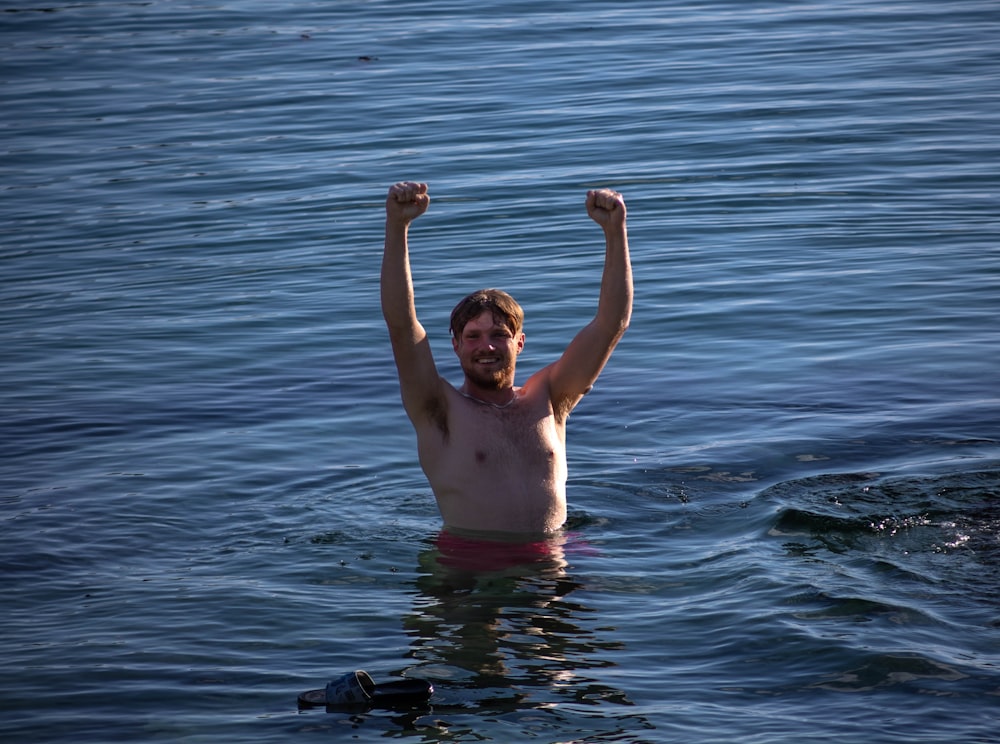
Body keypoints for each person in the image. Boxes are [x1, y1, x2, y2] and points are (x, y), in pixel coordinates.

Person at [381, 181, 632, 536]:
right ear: (455, 345)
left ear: (519, 343)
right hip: (472, 568)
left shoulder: (550, 398)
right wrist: (397, 226)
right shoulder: (437, 409)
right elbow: (402, 327)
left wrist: (615, 231)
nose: (487, 346)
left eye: (499, 335)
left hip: (553, 558)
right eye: (473, 337)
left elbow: (611, 325)